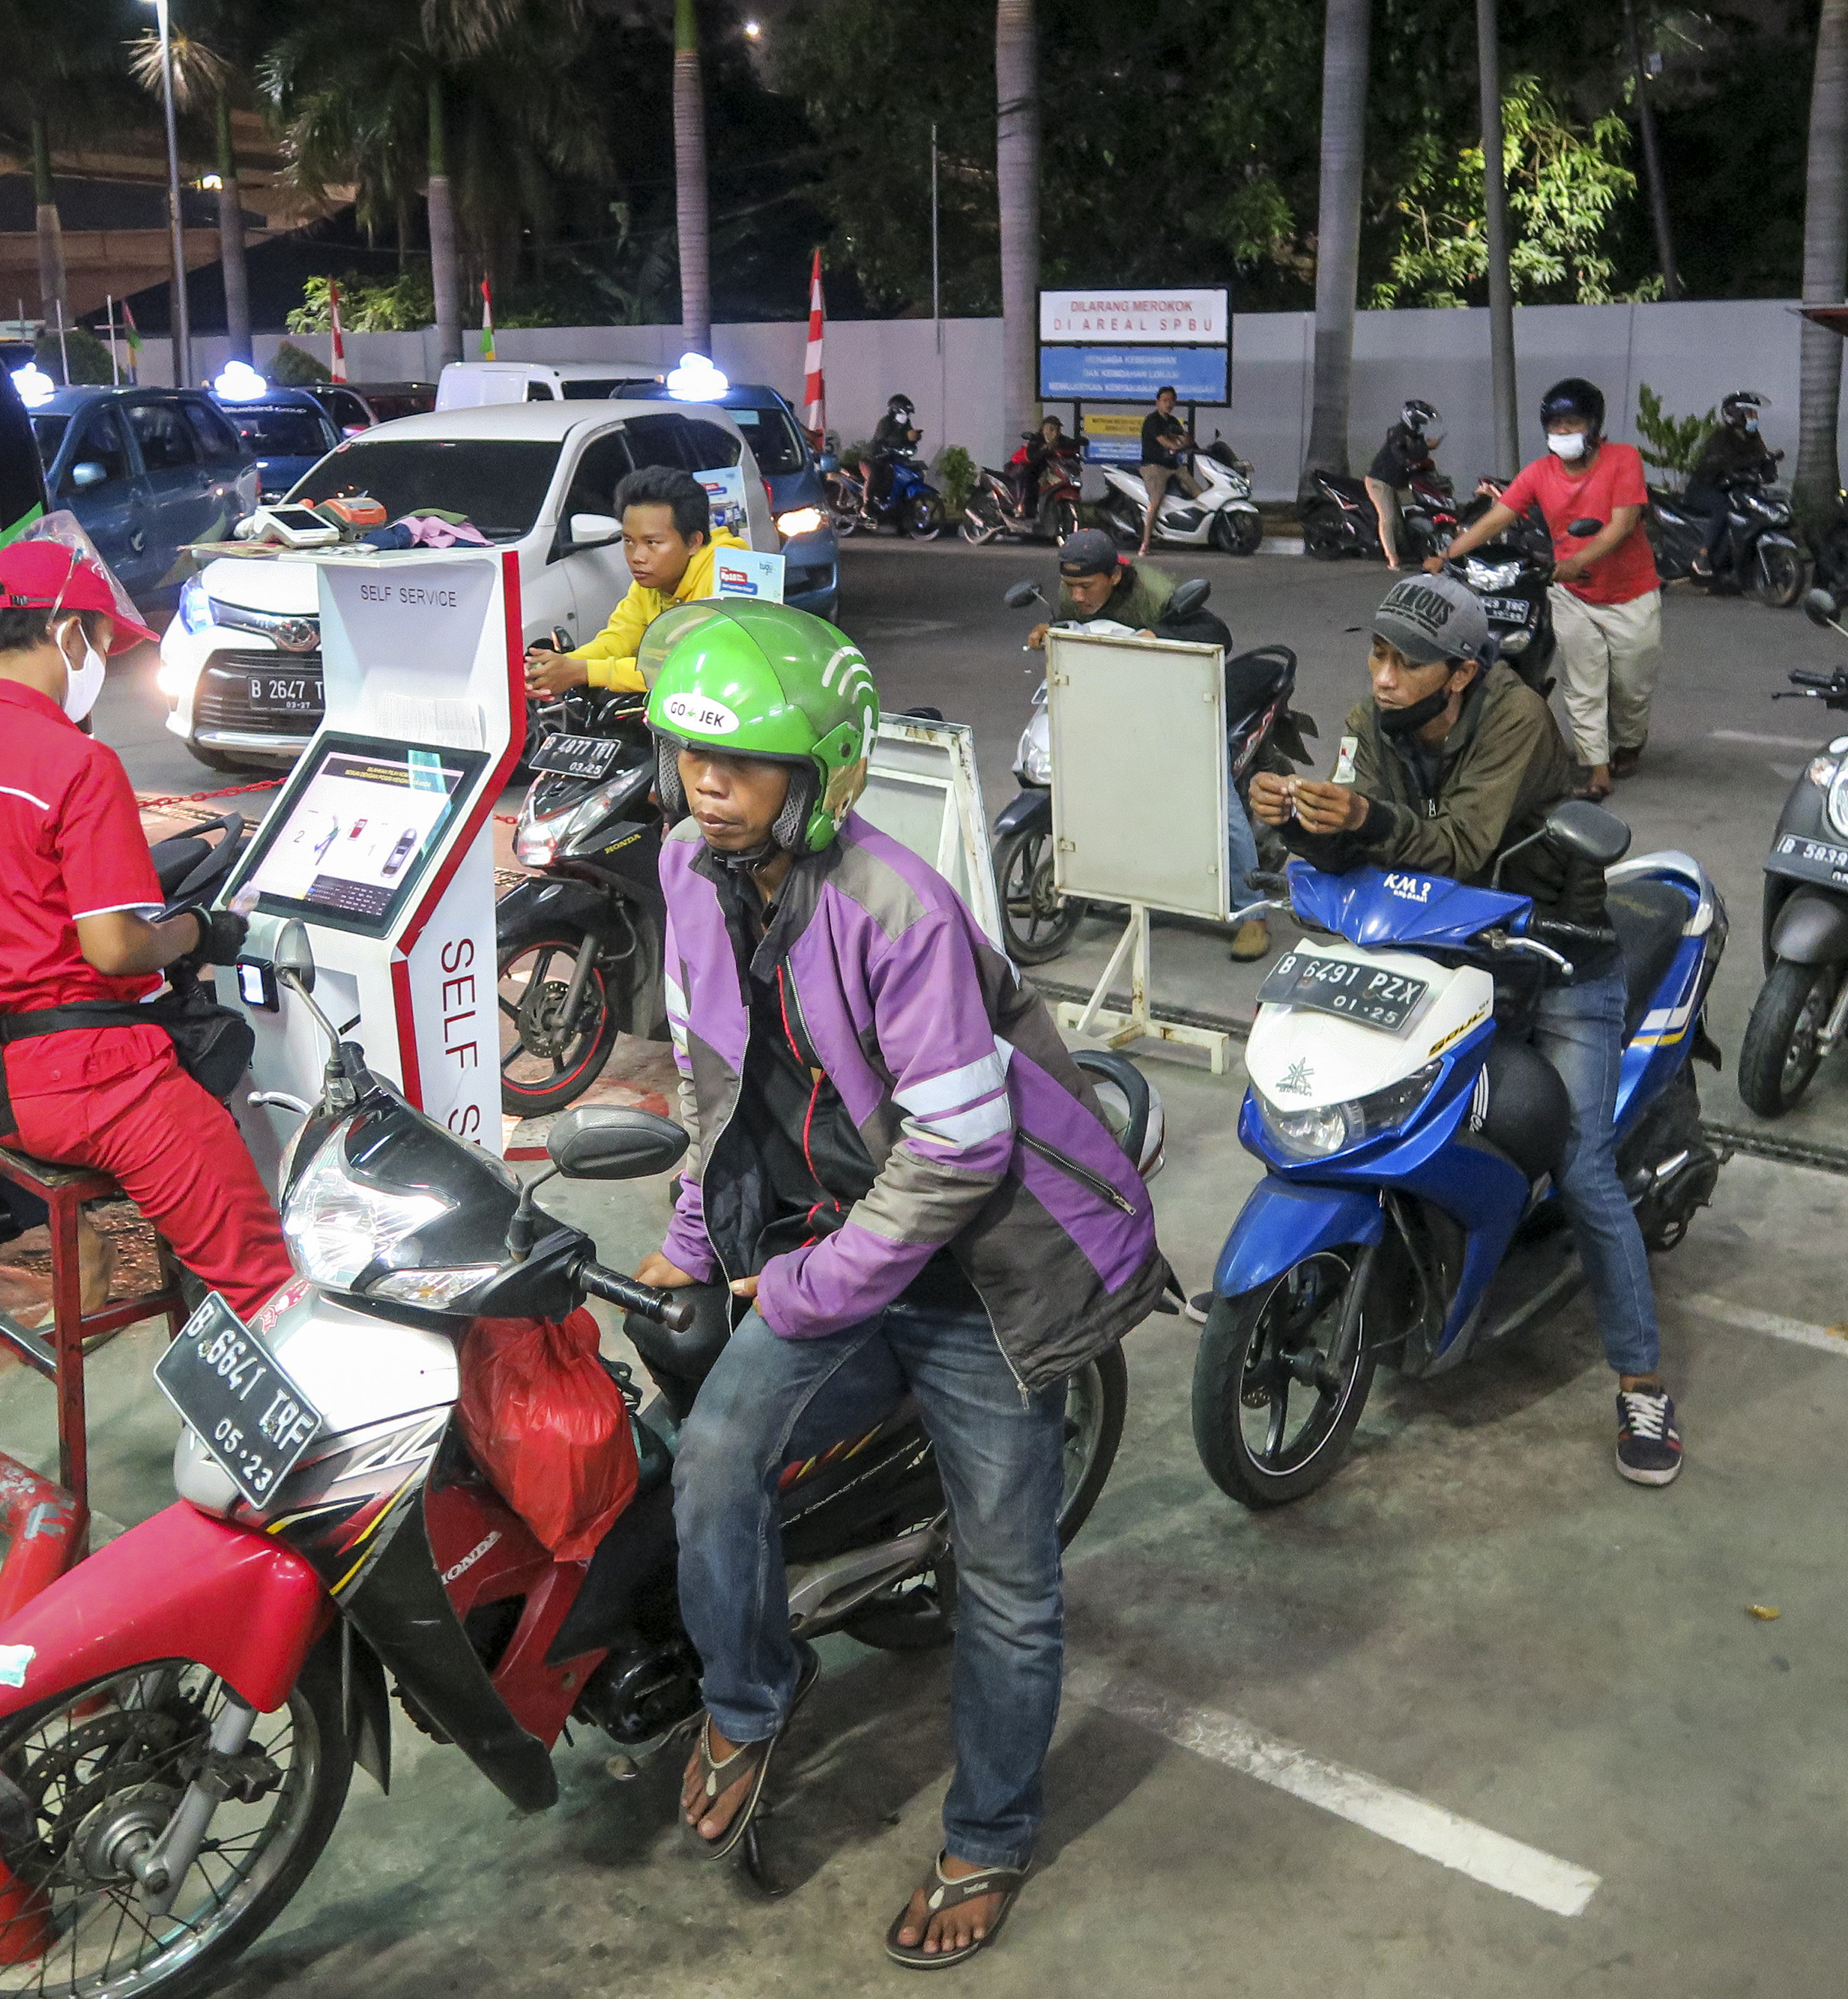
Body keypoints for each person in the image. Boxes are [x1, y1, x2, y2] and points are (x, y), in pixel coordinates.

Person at [631, 600, 1168, 1968]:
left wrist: (808, 1286)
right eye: (692, 753)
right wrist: (693, 1232)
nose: (707, 784)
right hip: (831, 1239)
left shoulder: (897, 907)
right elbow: (710, 1073)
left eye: (741, 762)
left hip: (980, 1274)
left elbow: (961, 1148)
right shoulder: (686, 870)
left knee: (1009, 1578)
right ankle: (751, 1695)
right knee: (713, 1457)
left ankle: (991, 1831)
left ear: (825, 772)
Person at [1245, 573, 1683, 1486]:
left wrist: (1365, 819)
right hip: (1434, 944)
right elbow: (1358, 844)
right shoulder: (1370, 724)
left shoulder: (1516, 719)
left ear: (1461, 672)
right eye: (1377, 655)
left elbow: (1462, 847)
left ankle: (1641, 1381)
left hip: (1554, 954)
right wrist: (1298, 822)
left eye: (1407, 663)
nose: (1384, 677)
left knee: (1581, 1165)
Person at [0, 539, 290, 1321]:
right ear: (69, 632)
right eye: (103, 641)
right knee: (260, 1277)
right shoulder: (76, 762)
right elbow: (116, 948)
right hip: (96, 1085)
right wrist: (196, 932)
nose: (101, 659)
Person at [1028, 530, 1265, 959]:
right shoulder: (1073, 595)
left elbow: (1218, 633)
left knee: (1218, 804)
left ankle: (1252, 913)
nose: (1078, 595)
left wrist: (1159, 634)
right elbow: (1078, 632)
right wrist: (1051, 631)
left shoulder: (1155, 594)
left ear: (1115, 577)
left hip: (1181, 705)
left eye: (1087, 586)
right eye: (1070, 585)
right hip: (1121, 705)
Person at [1431, 378, 1661, 799]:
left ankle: (1630, 740)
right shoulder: (1538, 473)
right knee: (1583, 683)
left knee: (1631, 686)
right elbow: (1498, 518)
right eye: (1555, 426)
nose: (1563, 433)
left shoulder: (1623, 459)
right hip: (1571, 594)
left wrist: (1577, 561)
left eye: (1573, 424)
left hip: (1632, 594)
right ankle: (1597, 771)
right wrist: (1447, 556)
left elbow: (1623, 524)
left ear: (1594, 427)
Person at [525, 466, 751, 696]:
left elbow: (696, 667)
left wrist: (583, 671)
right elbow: (619, 639)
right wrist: (560, 666)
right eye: (629, 541)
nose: (637, 557)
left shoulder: (731, 577)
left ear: (694, 542)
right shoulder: (651, 580)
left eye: (652, 543)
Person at [1684, 391, 1778, 582]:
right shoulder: (1721, 437)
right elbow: (1728, 463)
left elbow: (1761, 458)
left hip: (1731, 489)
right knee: (1723, 507)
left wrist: (1769, 464)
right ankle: (1703, 555)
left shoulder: (1753, 438)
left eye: (1754, 414)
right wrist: (1754, 462)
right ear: (1735, 414)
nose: (1753, 418)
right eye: (1749, 413)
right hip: (1704, 489)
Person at [1365, 400, 1443, 570]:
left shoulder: (1416, 436)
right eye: (1420, 422)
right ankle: (1392, 558)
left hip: (1397, 482)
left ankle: (1407, 552)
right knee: (1389, 518)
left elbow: (1418, 457)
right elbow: (1403, 457)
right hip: (1380, 481)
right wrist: (1426, 447)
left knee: (1402, 519)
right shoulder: (1397, 433)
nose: (1422, 427)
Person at [1135, 386, 1192, 548]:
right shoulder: (1152, 420)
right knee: (1156, 500)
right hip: (1154, 466)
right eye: (1165, 400)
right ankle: (1146, 543)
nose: (1168, 404)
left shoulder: (1173, 421)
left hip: (1173, 466)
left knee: (1197, 492)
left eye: (1171, 401)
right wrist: (1176, 445)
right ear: (1158, 402)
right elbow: (1164, 441)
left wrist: (1185, 438)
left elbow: (1186, 439)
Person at [862, 394, 920, 514]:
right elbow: (884, 439)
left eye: (908, 414)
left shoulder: (906, 424)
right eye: (904, 413)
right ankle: (868, 504)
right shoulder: (885, 423)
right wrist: (905, 437)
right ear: (895, 412)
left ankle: (893, 502)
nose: (906, 417)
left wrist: (914, 440)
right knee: (876, 475)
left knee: (902, 473)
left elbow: (908, 438)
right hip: (875, 458)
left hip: (892, 458)